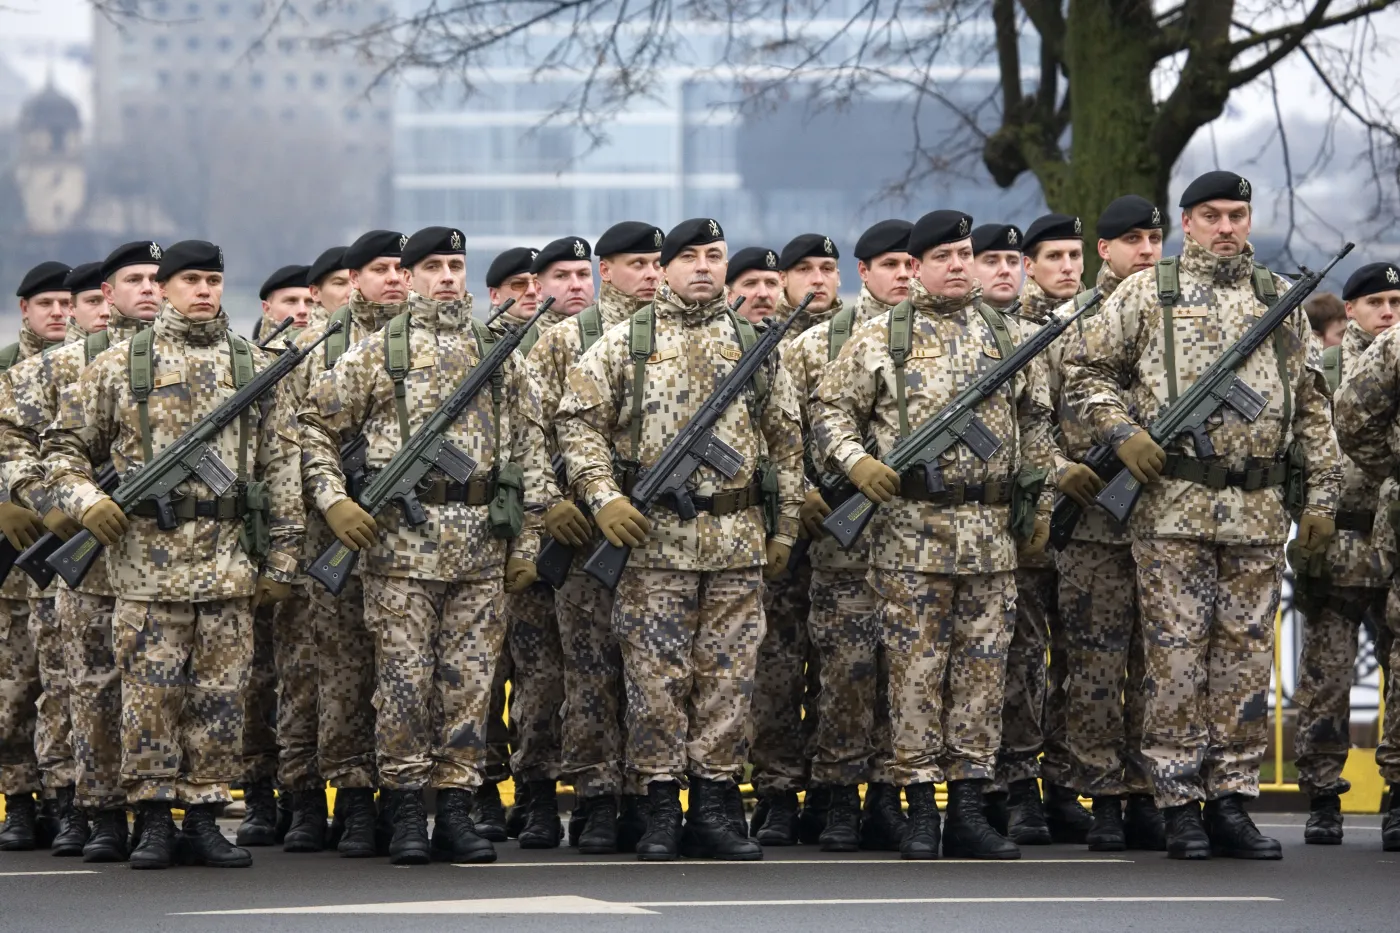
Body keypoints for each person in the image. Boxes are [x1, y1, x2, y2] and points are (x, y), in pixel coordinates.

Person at [1063, 171, 1340, 860]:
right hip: (1172, 509)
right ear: (1188, 223)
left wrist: (1323, 498)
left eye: (1237, 214)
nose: (1225, 227)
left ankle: (1231, 798)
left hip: (1254, 512)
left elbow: (1310, 408)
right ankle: (1178, 800)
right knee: (1175, 656)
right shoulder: (1146, 293)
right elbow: (1083, 373)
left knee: (1244, 660)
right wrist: (1122, 430)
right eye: (1211, 215)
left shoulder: (1278, 299)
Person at [297, 225, 558, 866]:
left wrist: (526, 544)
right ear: (409, 277)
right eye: (432, 266)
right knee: (403, 684)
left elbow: (530, 455)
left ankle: (458, 813)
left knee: (469, 687)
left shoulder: (497, 352)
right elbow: (313, 431)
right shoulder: (376, 353)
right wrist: (335, 503)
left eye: (455, 265)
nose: (446, 276)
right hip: (398, 554)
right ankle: (408, 809)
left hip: (478, 552)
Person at [44, 240, 306, 870]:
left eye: (214, 279)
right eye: (191, 279)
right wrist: (86, 504)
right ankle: (155, 816)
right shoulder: (119, 365)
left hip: (226, 564)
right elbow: (62, 452)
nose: (204, 290)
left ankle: (205, 816)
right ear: (164, 287)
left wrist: (282, 561)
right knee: (150, 696)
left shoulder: (252, 364)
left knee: (221, 696)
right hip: (144, 567)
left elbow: (283, 466)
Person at [810, 209, 1060, 860]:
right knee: (915, 677)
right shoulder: (880, 336)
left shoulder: (1006, 335)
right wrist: (855, 460)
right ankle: (921, 807)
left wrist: (1036, 504)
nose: (957, 263)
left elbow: (1037, 424)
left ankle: (970, 808)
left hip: (990, 538)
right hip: (910, 538)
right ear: (916, 266)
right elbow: (831, 412)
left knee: (982, 677)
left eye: (963, 252)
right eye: (942, 255)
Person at [555, 217, 804, 861]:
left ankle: (716, 804)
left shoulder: (754, 343)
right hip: (654, 545)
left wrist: (784, 527)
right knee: (655, 679)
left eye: (714, 256)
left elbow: (786, 442)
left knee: (728, 678)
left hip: (736, 541)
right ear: (662, 268)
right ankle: (660, 801)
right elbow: (577, 426)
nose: (702, 266)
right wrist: (602, 497)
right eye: (687, 256)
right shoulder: (625, 343)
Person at [525, 220, 663, 854]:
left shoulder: (675, 337)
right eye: (636, 264)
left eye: (656, 262)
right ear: (608, 271)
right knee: (588, 672)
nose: (652, 273)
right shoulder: (561, 342)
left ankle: (643, 794)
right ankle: (596, 799)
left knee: (653, 674)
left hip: (657, 539)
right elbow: (529, 437)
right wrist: (552, 504)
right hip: (585, 537)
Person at [271, 230, 411, 857]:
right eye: (381, 268)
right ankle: (345, 800)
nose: (396, 278)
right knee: (335, 673)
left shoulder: (440, 347)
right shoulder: (310, 348)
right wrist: (329, 502)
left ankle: (399, 798)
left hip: (405, 540)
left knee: (402, 675)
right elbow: (288, 446)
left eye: (403, 268)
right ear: (351, 280)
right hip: (327, 536)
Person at [777, 219, 912, 854]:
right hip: (843, 541)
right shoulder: (816, 347)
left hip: (919, 539)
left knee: (901, 675)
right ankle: (836, 796)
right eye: (891, 265)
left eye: (913, 263)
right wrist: (803, 490)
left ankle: (888, 794)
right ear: (867, 273)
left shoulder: (949, 342)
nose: (905, 274)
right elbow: (785, 433)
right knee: (846, 674)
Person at [1056, 195, 1167, 851]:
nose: (1146, 250)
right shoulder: (1070, 320)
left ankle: (1149, 790)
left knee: (1155, 665)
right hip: (1095, 516)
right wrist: (1057, 473)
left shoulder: (1177, 319)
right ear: (1105, 249)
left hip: (1161, 518)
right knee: (1095, 667)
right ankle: (1100, 794)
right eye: (1132, 240)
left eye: (1154, 238)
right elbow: (1041, 413)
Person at [992, 213, 1093, 845]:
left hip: (1093, 520)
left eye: (1074, 256)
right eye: (1053, 255)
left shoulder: (1101, 323)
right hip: (1036, 516)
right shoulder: (1006, 328)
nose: (1066, 267)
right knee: (1022, 658)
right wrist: (1056, 472)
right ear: (1031, 263)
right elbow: (1025, 429)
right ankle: (1017, 785)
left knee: (1082, 660)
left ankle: (1066, 779)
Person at [747, 233, 844, 847]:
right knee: (777, 669)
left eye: (827, 269)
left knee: (843, 670)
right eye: (801, 269)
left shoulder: (862, 335)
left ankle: (837, 792)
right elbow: (773, 439)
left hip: (846, 534)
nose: (815, 280)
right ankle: (778, 793)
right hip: (784, 530)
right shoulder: (767, 346)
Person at [1310, 262, 1400, 849]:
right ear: (1351, 313)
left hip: (1391, 540)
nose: (1388, 313)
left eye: (1396, 302)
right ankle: (1322, 794)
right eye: (1376, 303)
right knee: (1327, 674)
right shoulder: (1327, 369)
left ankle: (1395, 794)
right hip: (1342, 542)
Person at [0, 261, 72, 852]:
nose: (57, 313)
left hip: (65, 553)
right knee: (13, 687)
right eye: (45, 303)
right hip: (12, 556)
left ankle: (61, 798)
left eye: (64, 303)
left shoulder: (85, 368)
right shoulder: (5, 368)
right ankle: (18, 803)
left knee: (63, 684)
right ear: (24, 309)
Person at [253, 265, 314, 343]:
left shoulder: (331, 353)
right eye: (291, 301)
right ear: (267, 308)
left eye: (310, 302)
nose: (302, 311)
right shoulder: (250, 353)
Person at [970, 224, 1023, 311]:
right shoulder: (952, 321)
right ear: (970, 267)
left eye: (1013, 262)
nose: (1005, 270)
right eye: (992, 262)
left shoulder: (1039, 321)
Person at [725, 247, 782, 325]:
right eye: (751, 284)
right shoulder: (712, 335)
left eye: (771, 283)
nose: (763, 294)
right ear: (729, 295)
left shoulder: (800, 336)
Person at [306, 247, 352, 328]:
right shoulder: (305, 340)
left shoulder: (379, 334)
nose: (352, 293)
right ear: (315, 293)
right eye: (340, 283)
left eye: (357, 282)